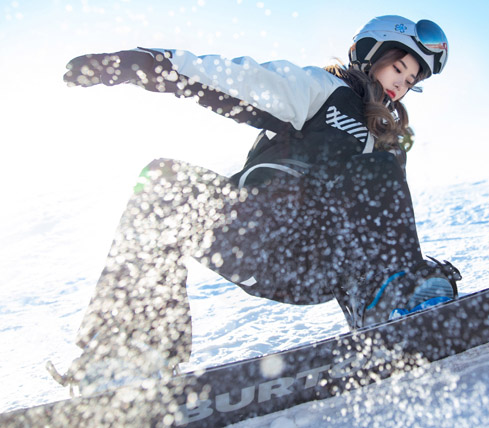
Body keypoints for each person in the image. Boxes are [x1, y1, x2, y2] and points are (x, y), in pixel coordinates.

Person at [50, 15, 461, 393]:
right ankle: (130, 353)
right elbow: (236, 79)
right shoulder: (321, 90)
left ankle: (392, 309)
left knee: (379, 169)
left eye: (410, 80)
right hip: (258, 238)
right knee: (164, 184)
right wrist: (142, 63)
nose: (400, 84)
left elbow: (383, 232)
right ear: (370, 56)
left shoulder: (386, 145)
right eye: (397, 68)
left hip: (318, 263)